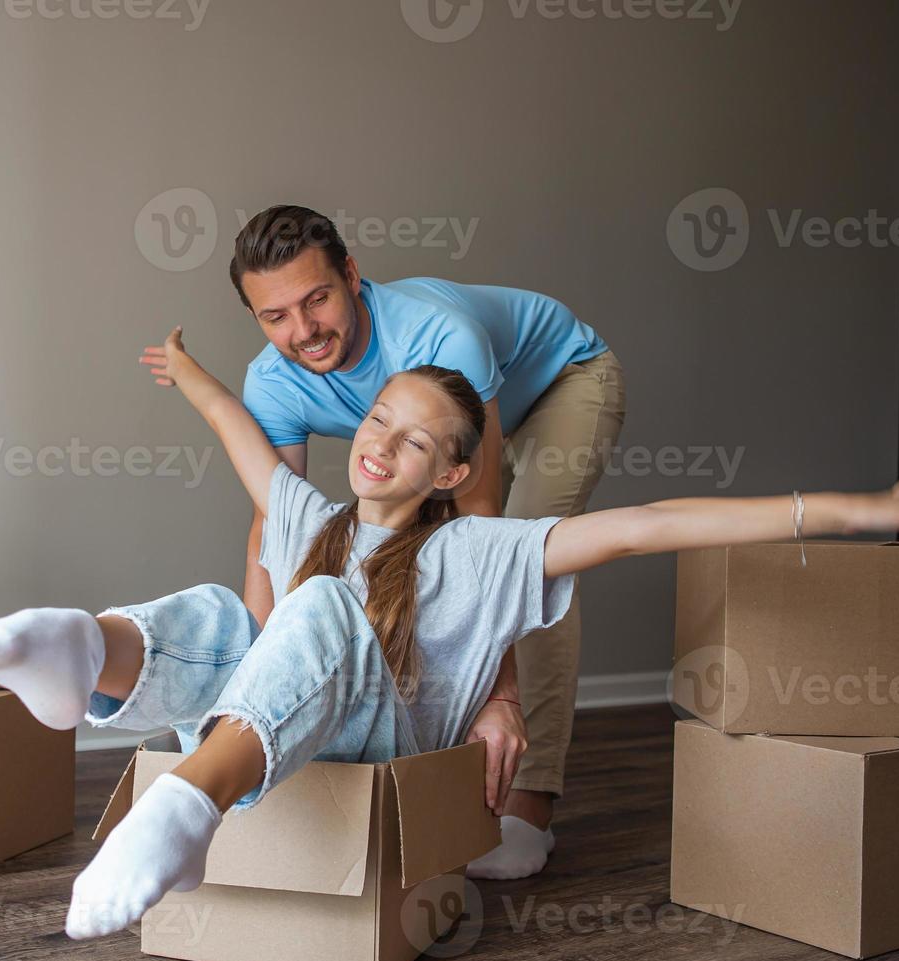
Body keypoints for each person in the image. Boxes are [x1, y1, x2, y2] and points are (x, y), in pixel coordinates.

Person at [0, 326, 899, 941]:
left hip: (382, 759)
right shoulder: (307, 517)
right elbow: (241, 436)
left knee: (313, 605)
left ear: (452, 472)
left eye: (416, 440)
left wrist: (865, 507)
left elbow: (651, 524)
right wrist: (190, 373)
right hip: (278, 727)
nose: (382, 444)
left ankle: (189, 799)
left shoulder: (482, 553)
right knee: (224, 608)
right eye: (377, 419)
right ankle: (75, 649)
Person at [231, 204, 623, 877]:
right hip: (442, 424)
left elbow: (480, 529)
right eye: (274, 316)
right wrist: (252, 687)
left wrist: (500, 698)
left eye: (316, 298)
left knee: (528, 565)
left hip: (563, 382)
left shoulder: (440, 337)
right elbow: (275, 527)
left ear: (351, 275)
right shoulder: (271, 380)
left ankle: (526, 804)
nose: (302, 331)